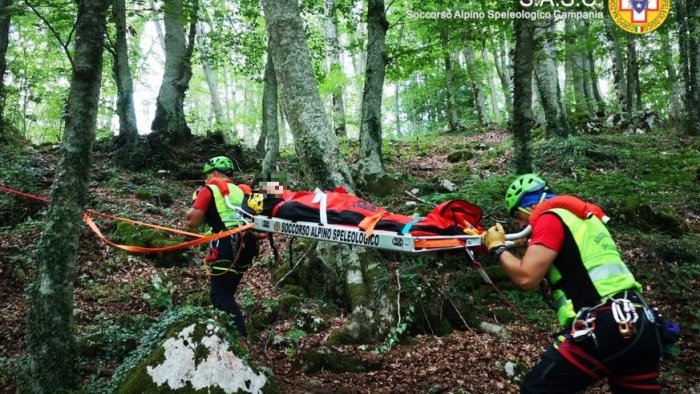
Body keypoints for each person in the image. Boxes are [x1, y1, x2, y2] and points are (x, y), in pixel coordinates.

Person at [481, 173, 664, 393]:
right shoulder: (586, 219)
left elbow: (526, 278)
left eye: (519, 217)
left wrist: (497, 248)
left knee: (536, 389)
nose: (520, 224)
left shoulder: (549, 217)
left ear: (531, 206)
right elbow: (575, 262)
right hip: (642, 321)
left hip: (605, 323)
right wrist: (524, 249)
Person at [186, 156, 258, 342]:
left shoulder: (209, 189)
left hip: (226, 244)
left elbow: (192, 221)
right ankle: (228, 331)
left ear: (215, 173)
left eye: (208, 175)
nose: (206, 179)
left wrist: (196, 200)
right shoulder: (241, 191)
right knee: (227, 292)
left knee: (220, 294)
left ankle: (240, 341)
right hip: (248, 244)